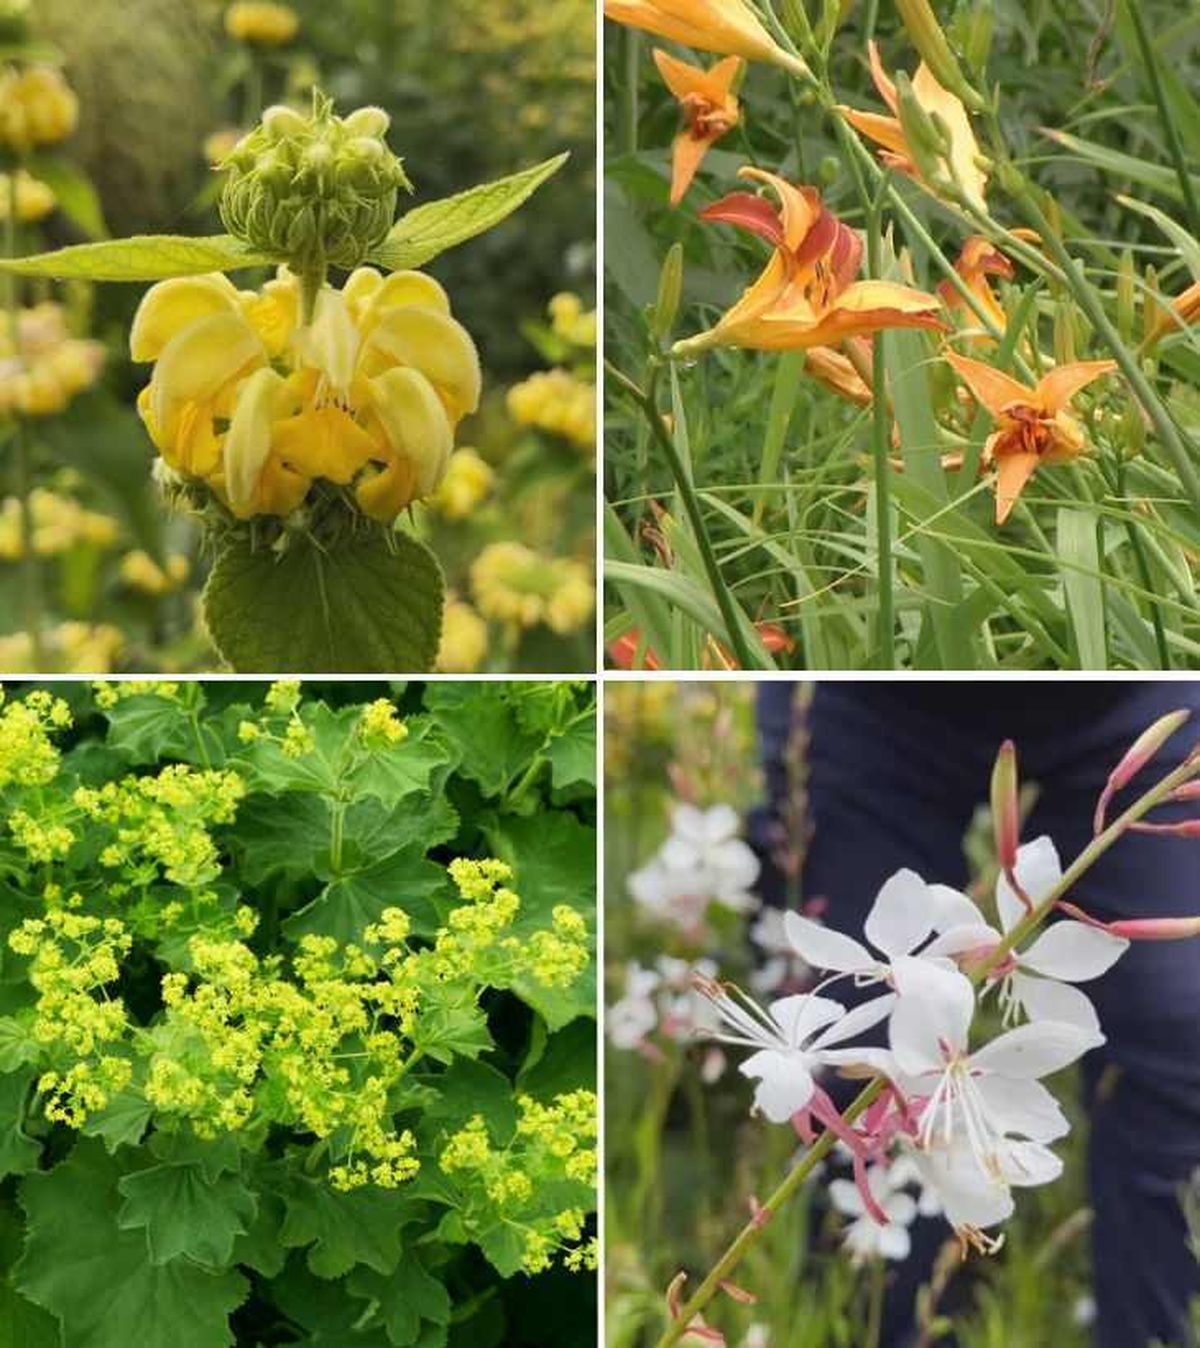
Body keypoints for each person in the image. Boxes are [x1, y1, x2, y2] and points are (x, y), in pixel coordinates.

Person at [749, 682, 1200, 1348]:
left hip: (1133, 701)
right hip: (871, 708)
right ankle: (899, 1326)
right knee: (851, 1048)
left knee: (1176, 1029)